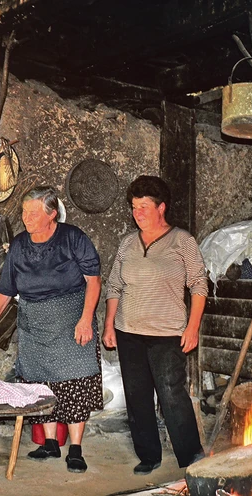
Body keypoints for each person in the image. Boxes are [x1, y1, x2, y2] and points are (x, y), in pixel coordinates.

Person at [0, 186, 103, 473]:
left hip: (70, 319)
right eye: (24, 212)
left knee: (74, 381)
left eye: (33, 213)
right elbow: (6, 288)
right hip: (33, 321)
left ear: (52, 215)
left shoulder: (72, 238)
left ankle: (75, 448)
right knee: (38, 383)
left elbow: (94, 281)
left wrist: (86, 320)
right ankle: (49, 443)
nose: (26, 218)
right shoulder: (20, 245)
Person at [103, 175, 209, 475]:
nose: (138, 213)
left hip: (166, 334)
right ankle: (148, 455)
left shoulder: (182, 241)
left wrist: (192, 327)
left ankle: (191, 457)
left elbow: (199, 285)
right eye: (134, 207)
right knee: (137, 396)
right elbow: (114, 286)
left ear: (161, 207)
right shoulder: (127, 244)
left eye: (144, 207)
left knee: (171, 393)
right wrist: (110, 325)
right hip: (129, 331)